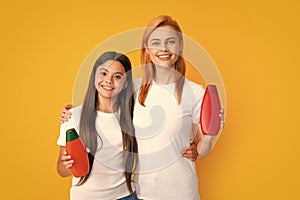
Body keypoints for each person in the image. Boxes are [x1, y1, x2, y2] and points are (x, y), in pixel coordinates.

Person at [60, 15, 224, 199]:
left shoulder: (195, 92)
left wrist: (208, 138)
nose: (163, 48)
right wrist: (74, 113)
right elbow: (105, 102)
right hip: (143, 193)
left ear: (179, 46)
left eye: (170, 41)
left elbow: (201, 151)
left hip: (181, 192)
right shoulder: (135, 88)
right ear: (147, 47)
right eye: (156, 42)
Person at [56, 51, 139, 200]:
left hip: (125, 196)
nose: (109, 80)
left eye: (117, 76)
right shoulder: (73, 116)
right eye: (103, 73)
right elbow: (61, 170)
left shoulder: (134, 116)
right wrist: (69, 164)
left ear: (126, 83)